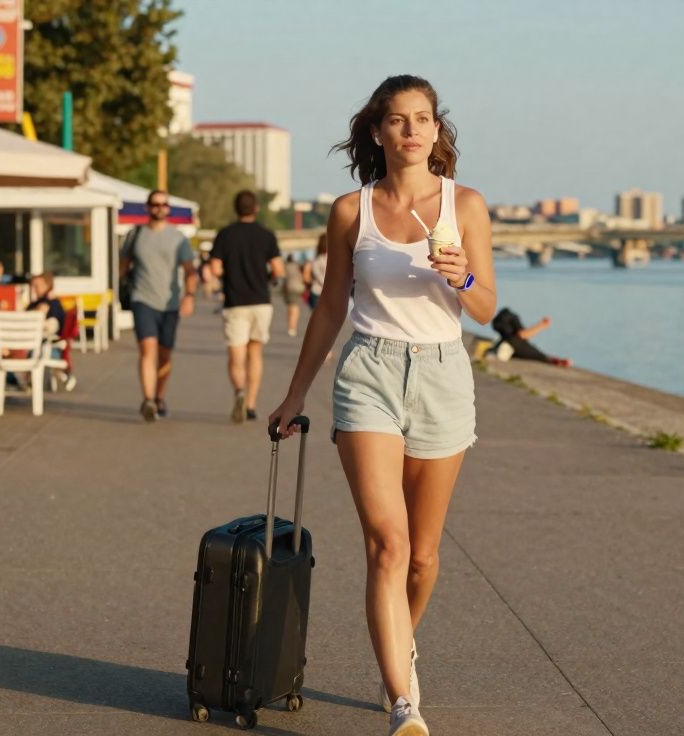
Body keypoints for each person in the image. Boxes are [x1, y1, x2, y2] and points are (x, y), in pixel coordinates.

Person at [267, 75, 495, 736]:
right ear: (377, 131)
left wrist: (466, 278)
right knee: (387, 546)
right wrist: (295, 391)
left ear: (436, 130)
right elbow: (331, 306)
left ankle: (400, 643)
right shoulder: (351, 211)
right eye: (399, 120)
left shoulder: (467, 206)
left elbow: (483, 307)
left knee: (423, 558)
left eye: (423, 118)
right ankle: (404, 704)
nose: (413, 130)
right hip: (368, 372)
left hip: (443, 375)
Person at [120, 190, 198, 422]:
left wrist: (190, 296)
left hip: (170, 304)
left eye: (164, 204)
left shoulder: (178, 238)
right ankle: (148, 400)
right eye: (155, 204)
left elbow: (190, 271)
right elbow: (123, 266)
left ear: (168, 208)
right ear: (147, 207)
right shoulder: (135, 235)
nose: (159, 208)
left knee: (165, 355)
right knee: (148, 350)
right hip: (142, 300)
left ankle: (159, 396)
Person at [210, 189, 284, 423]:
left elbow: (215, 268)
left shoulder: (225, 235)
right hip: (261, 301)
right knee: (255, 353)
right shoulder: (266, 235)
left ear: (235, 208)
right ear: (256, 208)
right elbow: (278, 270)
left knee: (236, 354)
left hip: (234, 301)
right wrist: (267, 278)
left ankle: (239, 392)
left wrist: (228, 274)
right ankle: (251, 405)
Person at [490, 307, 570, 366]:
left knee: (538, 354)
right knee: (538, 355)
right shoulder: (512, 316)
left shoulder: (497, 320)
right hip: (512, 345)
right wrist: (542, 325)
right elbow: (523, 334)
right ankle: (555, 360)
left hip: (503, 345)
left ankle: (553, 360)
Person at [282, 252, 308, 337]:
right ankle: (293, 327)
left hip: (289, 288)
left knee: (291, 308)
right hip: (299, 288)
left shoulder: (285, 267)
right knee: (295, 308)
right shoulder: (298, 266)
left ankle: (291, 327)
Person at [308, 233, 329, 309]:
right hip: (319, 292)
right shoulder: (319, 260)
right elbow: (319, 277)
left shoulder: (317, 260)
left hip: (319, 292)